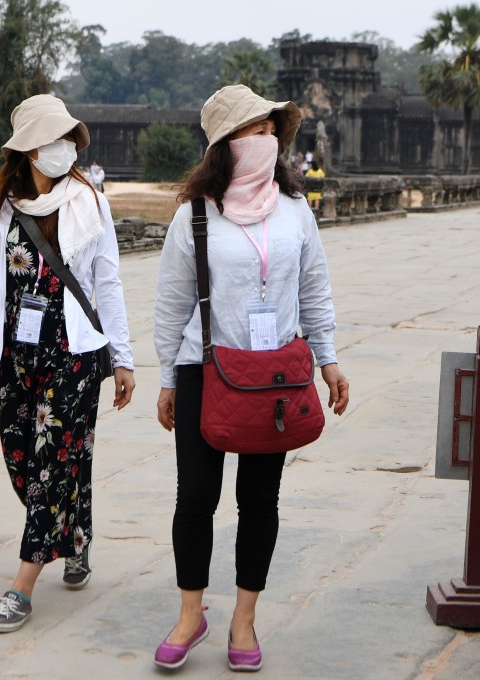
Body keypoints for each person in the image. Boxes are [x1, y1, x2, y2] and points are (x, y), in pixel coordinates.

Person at [152, 84, 349, 672]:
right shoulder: (194, 215)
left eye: (271, 131)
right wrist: (166, 376)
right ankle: (191, 613)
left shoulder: (294, 211)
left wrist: (329, 357)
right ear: (224, 146)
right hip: (203, 366)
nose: (265, 141)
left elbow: (314, 286)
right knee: (196, 497)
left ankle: (244, 619)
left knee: (259, 499)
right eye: (252, 132)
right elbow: (171, 302)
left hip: (275, 376)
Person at [0, 94, 136, 633]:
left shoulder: (90, 203)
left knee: (51, 464)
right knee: (25, 461)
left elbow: (107, 281)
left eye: (68, 139)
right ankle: (75, 537)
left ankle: (22, 586)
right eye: (52, 140)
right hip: (17, 356)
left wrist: (123, 357)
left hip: (75, 355)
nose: (64, 148)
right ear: (28, 151)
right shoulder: (1, 211)